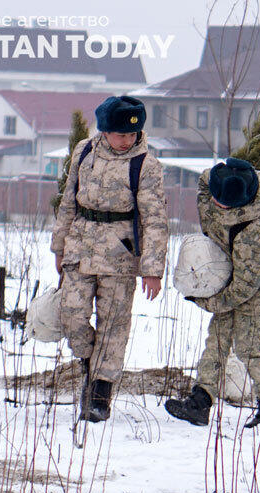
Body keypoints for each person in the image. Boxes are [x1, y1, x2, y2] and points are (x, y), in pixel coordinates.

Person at [50, 95, 167, 424]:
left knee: (113, 325)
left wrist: (152, 270)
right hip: (80, 244)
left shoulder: (145, 165)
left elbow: (155, 220)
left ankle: (100, 393)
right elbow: (68, 199)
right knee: (71, 314)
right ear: (104, 131)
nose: (126, 140)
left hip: (120, 253)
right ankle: (89, 366)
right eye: (120, 134)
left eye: (132, 134)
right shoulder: (84, 152)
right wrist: (59, 245)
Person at [165, 158, 260, 428]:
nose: (216, 206)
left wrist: (209, 303)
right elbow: (203, 181)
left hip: (257, 285)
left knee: (248, 346)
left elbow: (244, 288)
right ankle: (200, 401)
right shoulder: (213, 185)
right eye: (216, 199)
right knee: (217, 340)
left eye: (224, 204)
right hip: (227, 272)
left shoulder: (255, 231)